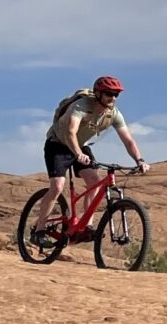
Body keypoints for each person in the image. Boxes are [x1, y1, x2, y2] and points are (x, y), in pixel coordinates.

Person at [43, 75, 147, 227]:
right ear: (98, 93)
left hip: (81, 146)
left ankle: (87, 225)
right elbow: (71, 132)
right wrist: (78, 153)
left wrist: (139, 160)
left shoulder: (114, 114)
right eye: (109, 94)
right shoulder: (81, 106)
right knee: (57, 186)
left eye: (116, 94)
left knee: (95, 182)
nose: (113, 98)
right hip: (58, 143)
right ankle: (39, 230)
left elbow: (128, 140)